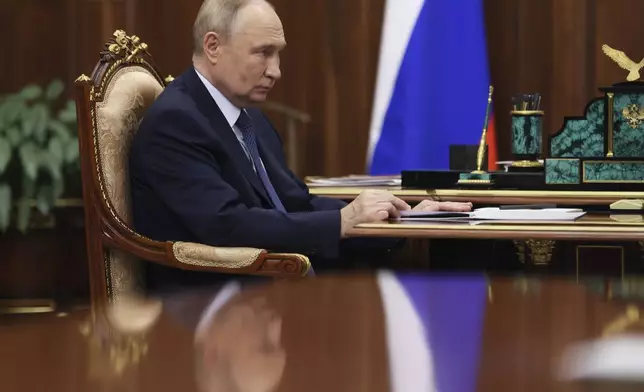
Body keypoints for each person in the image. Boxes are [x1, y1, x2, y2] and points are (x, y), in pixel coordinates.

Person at [128, 0, 472, 288]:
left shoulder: (250, 118)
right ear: (213, 46)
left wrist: (402, 220)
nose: (275, 71)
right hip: (210, 310)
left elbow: (295, 203)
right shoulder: (175, 122)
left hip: (276, 289)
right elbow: (225, 225)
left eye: (278, 55)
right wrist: (343, 220)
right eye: (263, 53)